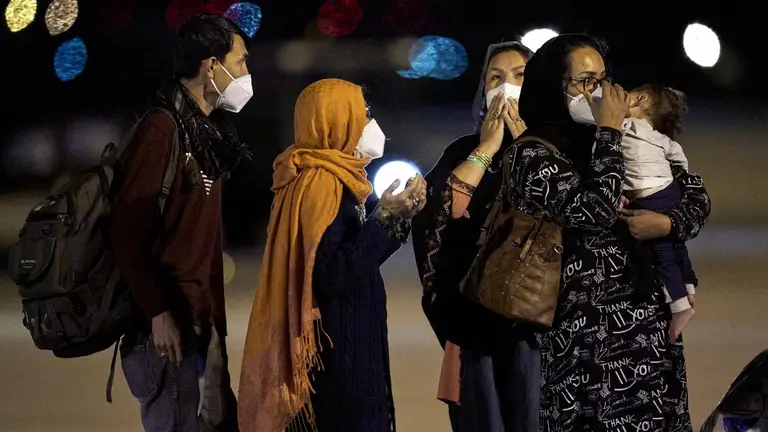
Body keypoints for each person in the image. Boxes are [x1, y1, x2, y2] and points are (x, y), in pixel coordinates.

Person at [510, 34, 710, 431]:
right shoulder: (533, 153)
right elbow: (594, 211)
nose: (597, 93)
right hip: (584, 340)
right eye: (583, 81)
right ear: (555, 85)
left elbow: (693, 195)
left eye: (601, 81)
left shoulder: (627, 139)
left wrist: (668, 224)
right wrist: (609, 135)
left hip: (648, 327)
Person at [237, 78, 427, 432]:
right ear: (336, 120)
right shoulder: (321, 184)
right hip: (339, 366)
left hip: (345, 357)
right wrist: (386, 217)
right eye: (363, 113)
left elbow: (349, 256)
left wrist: (397, 219)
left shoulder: (324, 179)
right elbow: (333, 272)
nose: (371, 123)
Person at [110, 13, 253, 431]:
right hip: (167, 329)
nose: (247, 73)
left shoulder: (206, 133)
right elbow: (126, 230)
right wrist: (158, 311)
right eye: (241, 62)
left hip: (202, 324)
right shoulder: (162, 130)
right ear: (212, 66)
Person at [412, 41, 540, 432]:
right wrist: (486, 149)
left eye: (520, 76)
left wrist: (527, 147)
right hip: (475, 330)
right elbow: (434, 222)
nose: (506, 88)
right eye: (495, 78)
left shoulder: (557, 150)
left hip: (540, 332)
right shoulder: (462, 152)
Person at [570, 82, 699, 342]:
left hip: (649, 197)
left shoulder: (626, 126)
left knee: (662, 251)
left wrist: (579, 97)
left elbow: (582, 113)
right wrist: (677, 173)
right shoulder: (656, 136)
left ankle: (680, 306)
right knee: (675, 246)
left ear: (639, 101)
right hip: (667, 189)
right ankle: (688, 286)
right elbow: (678, 155)